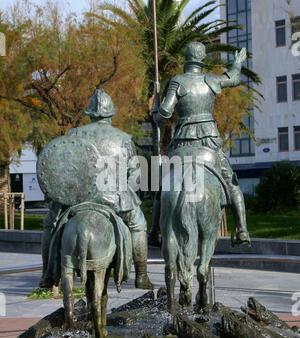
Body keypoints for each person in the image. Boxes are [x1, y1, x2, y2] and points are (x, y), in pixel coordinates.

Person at [40, 88, 153, 290]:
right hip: (115, 198)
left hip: (78, 198)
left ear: (90, 114)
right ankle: (142, 275)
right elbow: (135, 174)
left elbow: (64, 166)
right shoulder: (124, 139)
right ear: (110, 113)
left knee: (50, 224)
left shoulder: (74, 134)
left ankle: (48, 275)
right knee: (138, 225)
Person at [149, 41, 250, 246]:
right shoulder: (211, 80)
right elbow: (234, 77)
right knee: (231, 182)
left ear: (186, 58)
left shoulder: (178, 81)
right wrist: (237, 62)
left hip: (182, 143)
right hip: (209, 142)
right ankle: (241, 229)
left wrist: (156, 114)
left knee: (164, 185)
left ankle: (155, 230)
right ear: (202, 59)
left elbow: (165, 112)